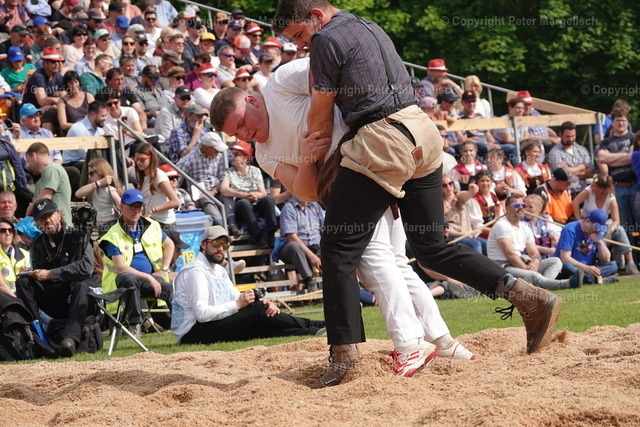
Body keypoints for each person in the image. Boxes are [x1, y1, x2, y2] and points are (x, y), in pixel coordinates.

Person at [271, 1, 561, 388]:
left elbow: (321, 110)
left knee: (338, 249)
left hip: (382, 137)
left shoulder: (326, 39)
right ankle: (528, 297)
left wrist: (311, 144)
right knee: (431, 248)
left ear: (316, 16)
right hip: (422, 131)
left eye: (299, 35)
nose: (302, 45)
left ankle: (343, 357)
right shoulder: (370, 26)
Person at [210, 62, 475, 380]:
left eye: (241, 123)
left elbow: (329, 73)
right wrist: (307, 156)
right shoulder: (265, 154)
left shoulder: (280, 82)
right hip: (352, 177)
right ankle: (443, 342)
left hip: (372, 155)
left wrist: (326, 122)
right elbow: (307, 192)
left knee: (373, 258)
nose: (244, 134)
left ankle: (409, 344)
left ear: (251, 100)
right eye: (235, 133)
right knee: (394, 261)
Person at [172, 225, 325, 344]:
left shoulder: (219, 270)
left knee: (259, 326)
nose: (220, 249)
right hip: (192, 332)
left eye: (225, 246)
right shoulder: (195, 271)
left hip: (212, 325)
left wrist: (261, 301)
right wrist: (240, 304)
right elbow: (202, 314)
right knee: (257, 310)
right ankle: (316, 324)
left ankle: (312, 331)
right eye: (216, 243)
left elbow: (236, 296)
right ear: (204, 245)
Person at [16, 198, 96, 357]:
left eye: (50, 215)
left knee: (82, 285)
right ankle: (37, 337)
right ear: (36, 223)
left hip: (82, 297)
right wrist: (33, 272)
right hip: (56, 298)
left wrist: (51, 274)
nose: (47, 221)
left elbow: (86, 267)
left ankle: (70, 340)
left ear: (59, 214)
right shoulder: (38, 244)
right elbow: (41, 276)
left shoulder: (77, 236)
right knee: (24, 281)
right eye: (41, 218)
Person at [99, 188, 174, 336]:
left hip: (149, 280)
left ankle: (182, 324)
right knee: (130, 278)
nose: (136, 210)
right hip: (121, 284)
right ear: (121, 207)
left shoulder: (152, 225)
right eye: (132, 206)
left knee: (168, 287)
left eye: (139, 207)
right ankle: (135, 324)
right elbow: (121, 268)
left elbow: (170, 245)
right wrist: (149, 278)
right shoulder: (112, 234)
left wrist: (164, 269)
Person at [487, 195, 572, 290]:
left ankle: (538, 288)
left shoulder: (525, 228)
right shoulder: (501, 225)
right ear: (507, 208)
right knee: (534, 276)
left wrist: (535, 262)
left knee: (555, 261)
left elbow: (534, 252)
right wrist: (527, 269)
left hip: (520, 262)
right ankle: (567, 284)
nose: (521, 208)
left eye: (523, 205)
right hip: (503, 267)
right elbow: (510, 254)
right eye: (516, 205)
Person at [571, 174, 639, 275]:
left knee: (619, 230)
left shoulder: (611, 199)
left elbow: (616, 220)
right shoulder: (588, 191)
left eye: (594, 186)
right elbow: (575, 203)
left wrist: (610, 231)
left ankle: (630, 263)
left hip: (601, 227)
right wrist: (579, 221)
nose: (591, 186)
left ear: (601, 189)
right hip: (587, 225)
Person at [220, 141, 277, 247]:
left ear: (246, 158)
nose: (232, 157)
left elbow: (262, 192)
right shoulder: (229, 172)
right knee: (244, 203)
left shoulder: (255, 170)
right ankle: (258, 237)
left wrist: (256, 195)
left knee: (269, 199)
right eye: (232, 154)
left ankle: (271, 234)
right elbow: (224, 189)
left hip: (255, 201)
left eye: (236, 154)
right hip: (240, 205)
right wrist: (244, 195)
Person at [597, 110, 638, 245]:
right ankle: (631, 256)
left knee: (639, 220)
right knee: (625, 225)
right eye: (617, 120)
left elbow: (633, 157)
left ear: (628, 122)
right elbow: (601, 158)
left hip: (634, 185)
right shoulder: (606, 141)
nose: (621, 123)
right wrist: (626, 155)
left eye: (623, 120)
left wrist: (611, 158)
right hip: (617, 187)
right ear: (612, 123)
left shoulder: (633, 138)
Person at [554, 209, 619, 284]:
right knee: (567, 266)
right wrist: (586, 268)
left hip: (588, 267)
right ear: (587, 221)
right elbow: (565, 258)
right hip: (573, 266)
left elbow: (606, 259)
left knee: (613, 266)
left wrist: (600, 242)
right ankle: (595, 280)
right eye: (596, 228)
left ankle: (587, 279)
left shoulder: (597, 233)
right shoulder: (570, 229)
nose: (597, 231)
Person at [175, 132, 227, 226]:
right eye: (216, 149)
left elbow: (222, 177)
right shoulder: (189, 159)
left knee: (227, 195)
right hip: (199, 194)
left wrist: (214, 191)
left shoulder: (219, 157)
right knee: (206, 199)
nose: (218, 152)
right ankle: (221, 225)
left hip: (217, 190)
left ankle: (232, 224)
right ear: (206, 148)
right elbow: (176, 180)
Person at [278, 195, 324, 291]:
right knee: (294, 246)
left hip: (316, 246)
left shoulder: (316, 206)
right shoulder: (289, 208)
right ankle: (309, 279)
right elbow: (291, 237)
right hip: (294, 250)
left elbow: (324, 228)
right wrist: (311, 255)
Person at [134, 143, 180, 227]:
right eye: (136, 159)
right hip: (152, 221)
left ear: (151, 159)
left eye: (142, 160)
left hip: (164, 223)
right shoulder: (143, 177)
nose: (138, 162)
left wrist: (153, 210)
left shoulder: (159, 175)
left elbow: (175, 202)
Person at [25, 143, 72, 223]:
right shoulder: (41, 180)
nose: (29, 165)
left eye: (28, 161)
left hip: (60, 225)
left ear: (34, 155)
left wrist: (30, 209)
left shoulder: (52, 169)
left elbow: (45, 197)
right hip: (48, 226)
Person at [547, 121, 595, 197]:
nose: (570, 139)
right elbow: (561, 174)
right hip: (565, 194)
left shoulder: (582, 150)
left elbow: (592, 172)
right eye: (567, 136)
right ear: (561, 134)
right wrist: (581, 167)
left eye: (573, 136)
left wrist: (569, 170)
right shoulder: (554, 153)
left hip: (583, 192)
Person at [75, 158, 122, 234]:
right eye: (88, 174)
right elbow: (78, 194)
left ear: (101, 172)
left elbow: (121, 205)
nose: (89, 177)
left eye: (91, 173)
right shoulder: (95, 187)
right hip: (98, 226)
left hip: (110, 224)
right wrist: (99, 183)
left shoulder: (110, 190)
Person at [57, 71, 94, 135]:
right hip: (74, 132)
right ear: (66, 85)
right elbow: (63, 124)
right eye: (71, 83)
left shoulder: (88, 96)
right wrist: (81, 126)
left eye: (76, 82)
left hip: (90, 129)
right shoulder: (62, 101)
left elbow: (96, 115)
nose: (74, 85)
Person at [0, 217, 30, 294]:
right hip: (5, 298)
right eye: (3, 231)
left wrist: (29, 272)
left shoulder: (25, 254)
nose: (7, 234)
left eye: (10, 230)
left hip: (25, 296)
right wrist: (14, 298)